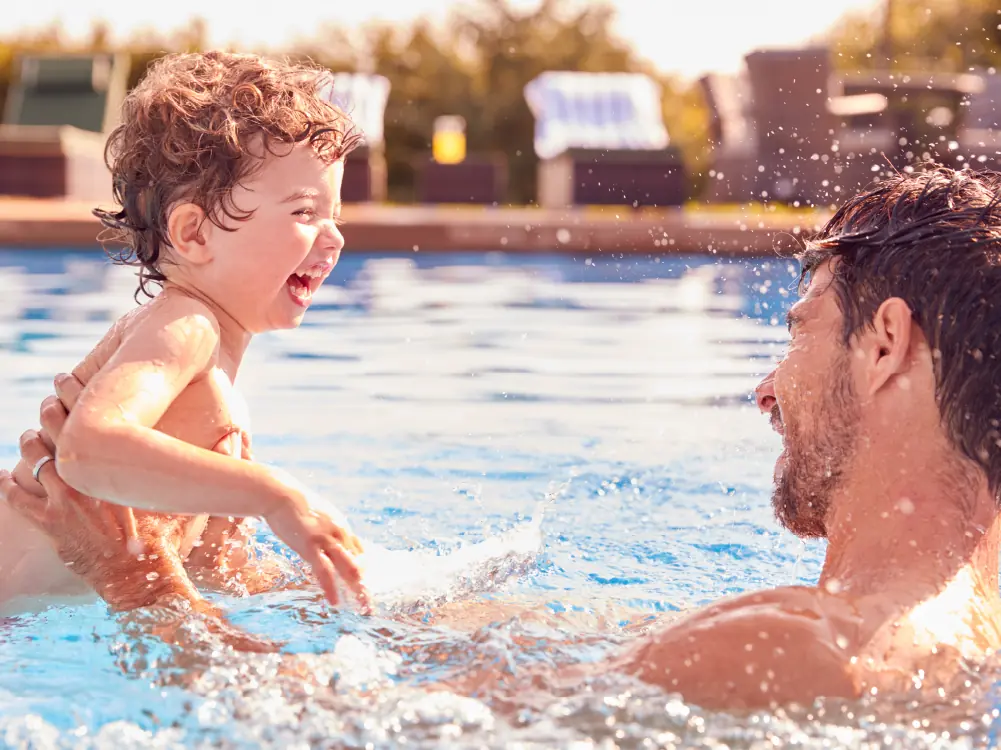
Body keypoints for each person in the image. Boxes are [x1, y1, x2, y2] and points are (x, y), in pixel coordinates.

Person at [7, 165, 1001, 712]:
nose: (762, 389)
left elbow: (346, 736)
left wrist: (143, 590)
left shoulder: (804, 650)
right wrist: (244, 578)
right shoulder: (964, 618)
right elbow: (546, 672)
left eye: (796, 333)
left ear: (884, 346)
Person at [0, 50, 371, 613]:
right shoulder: (186, 324)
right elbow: (87, 449)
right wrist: (277, 496)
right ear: (194, 233)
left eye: (335, 215)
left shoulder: (210, 366)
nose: (334, 237)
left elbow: (199, 569)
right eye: (303, 213)